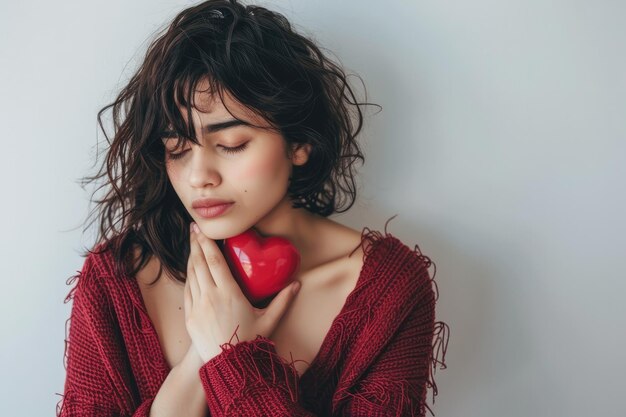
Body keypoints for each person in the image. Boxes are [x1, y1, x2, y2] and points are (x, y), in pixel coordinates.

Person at [56, 0, 450, 416]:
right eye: (176, 148)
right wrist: (203, 357)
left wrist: (236, 360)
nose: (197, 176)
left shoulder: (390, 291)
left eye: (231, 145)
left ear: (299, 143)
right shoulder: (116, 278)